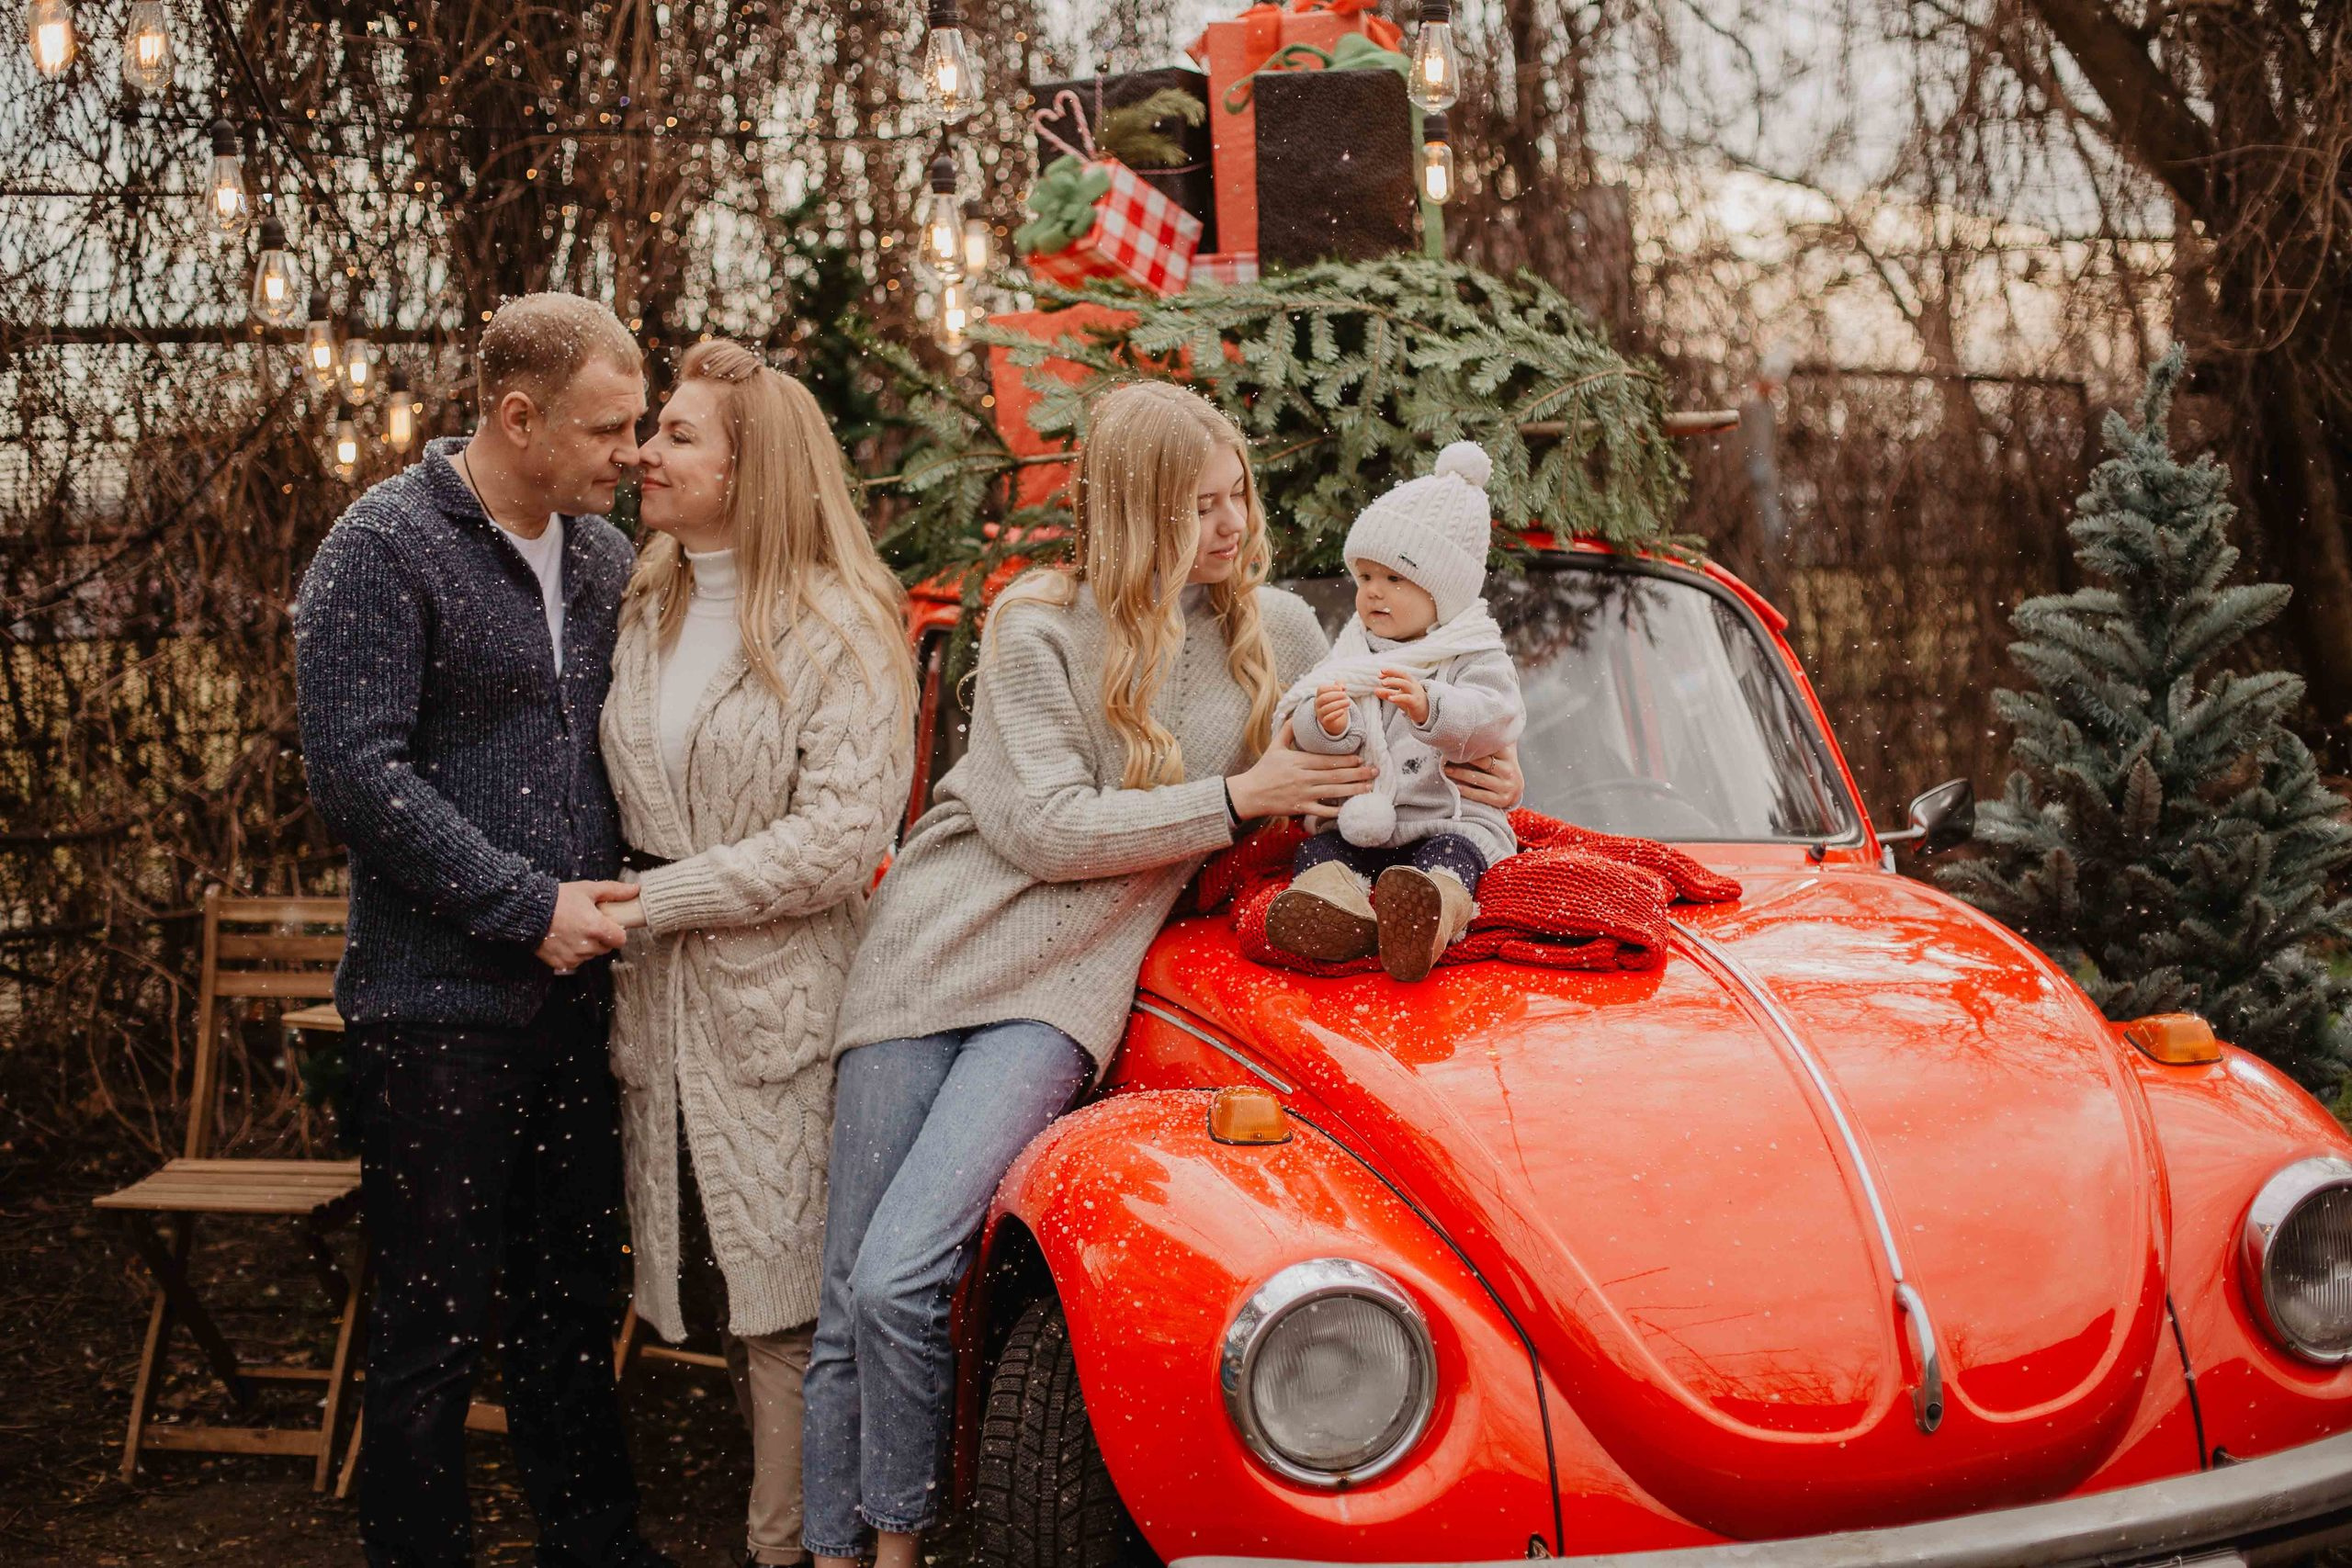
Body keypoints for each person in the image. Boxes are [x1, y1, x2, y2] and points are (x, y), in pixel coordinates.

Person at [801, 380, 1524, 1568]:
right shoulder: (1036, 621)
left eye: (1237, 491)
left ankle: (901, 1542)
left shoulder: (1281, 628)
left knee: (904, 1272)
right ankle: (836, 1549)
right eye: (1201, 504)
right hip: (929, 951)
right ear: (1139, 512)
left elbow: (1397, 733)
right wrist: (1240, 794)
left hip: (1064, 986)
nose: (1233, 521)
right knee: (847, 1296)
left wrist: (1484, 780)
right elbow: (1041, 825)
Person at [293, 292, 670, 1568]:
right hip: (433, 1007)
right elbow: (356, 770)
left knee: (572, 1298)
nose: (634, 450)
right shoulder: (384, 548)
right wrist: (527, 907)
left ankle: (596, 1541)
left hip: (580, 1000)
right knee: (433, 1320)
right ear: (519, 416)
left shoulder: (611, 559)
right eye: (608, 427)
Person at [594, 339, 914, 1568]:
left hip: (787, 1010)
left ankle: (790, 1544)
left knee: (788, 1311)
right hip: (662, 1014)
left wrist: (663, 897)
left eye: (675, 434)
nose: (644, 454)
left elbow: (841, 838)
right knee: (728, 1300)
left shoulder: (839, 622)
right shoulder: (646, 599)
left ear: (751, 467)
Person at [1265, 440, 1526, 980]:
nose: (1372, 594)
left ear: (1443, 591)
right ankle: (1335, 912)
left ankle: (1430, 916)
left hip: (1444, 819)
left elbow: (1496, 716)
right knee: (1320, 855)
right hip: (1366, 827)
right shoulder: (1352, 650)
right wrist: (1329, 724)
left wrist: (1435, 707)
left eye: (1394, 579)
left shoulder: (1472, 651)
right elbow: (1317, 722)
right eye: (1364, 578)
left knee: (1453, 859)